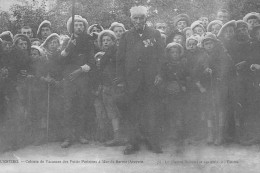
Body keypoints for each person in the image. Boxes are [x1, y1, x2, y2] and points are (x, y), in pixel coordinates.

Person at [116, 6, 165, 154]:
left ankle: (153, 142)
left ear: (146, 19)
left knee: (151, 111)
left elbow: (161, 57)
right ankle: (132, 143)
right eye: (135, 18)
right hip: (132, 82)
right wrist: (122, 80)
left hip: (150, 81)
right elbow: (120, 60)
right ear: (131, 19)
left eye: (141, 18)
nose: (138, 21)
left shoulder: (155, 34)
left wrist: (159, 74)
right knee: (133, 112)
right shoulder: (126, 36)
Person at [60, 15, 97, 148]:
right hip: (69, 78)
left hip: (82, 77)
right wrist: (69, 47)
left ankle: (80, 135)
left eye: (81, 25)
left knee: (81, 105)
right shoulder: (66, 40)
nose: (79, 27)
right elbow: (61, 60)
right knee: (68, 107)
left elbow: (91, 61)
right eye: (76, 25)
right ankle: (68, 137)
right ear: (72, 27)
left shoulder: (88, 41)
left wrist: (80, 70)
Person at [201, 32, 233, 145]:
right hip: (208, 86)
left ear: (215, 44)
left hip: (220, 85)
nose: (208, 46)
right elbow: (199, 70)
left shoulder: (222, 54)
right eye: (206, 43)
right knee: (209, 109)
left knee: (220, 109)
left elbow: (227, 67)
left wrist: (215, 72)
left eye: (210, 43)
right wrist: (205, 71)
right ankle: (210, 134)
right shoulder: (204, 55)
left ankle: (220, 134)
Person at [95, 30, 125, 146]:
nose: (106, 42)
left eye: (108, 40)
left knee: (115, 111)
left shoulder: (117, 53)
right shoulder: (104, 54)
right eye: (103, 40)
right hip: (106, 86)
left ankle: (120, 136)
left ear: (114, 41)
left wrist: (120, 80)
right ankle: (116, 136)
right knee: (111, 112)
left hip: (115, 87)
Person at [158, 42, 187, 153]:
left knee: (179, 114)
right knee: (168, 113)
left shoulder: (183, 64)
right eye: (172, 52)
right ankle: (170, 135)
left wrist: (182, 85)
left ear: (180, 53)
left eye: (176, 52)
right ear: (168, 53)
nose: (174, 54)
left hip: (180, 93)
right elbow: (162, 78)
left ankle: (179, 138)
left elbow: (187, 76)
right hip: (168, 93)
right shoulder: (164, 65)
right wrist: (166, 86)